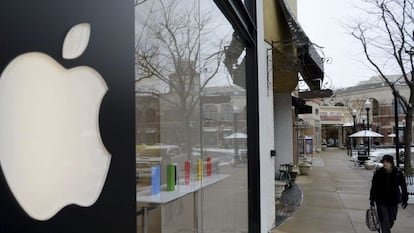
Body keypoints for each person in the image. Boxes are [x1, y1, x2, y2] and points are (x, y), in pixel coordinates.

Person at [369, 154, 408, 233]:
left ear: (391, 163)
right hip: (381, 201)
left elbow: (403, 186)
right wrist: (372, 199)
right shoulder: (378, 173)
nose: (385, 164)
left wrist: (405, 198)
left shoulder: (397, 173)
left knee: (391, 219)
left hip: (393, 200)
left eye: (387, 162)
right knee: (385, 220)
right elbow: (374, 187)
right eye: (384, 162)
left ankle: (385, 228)